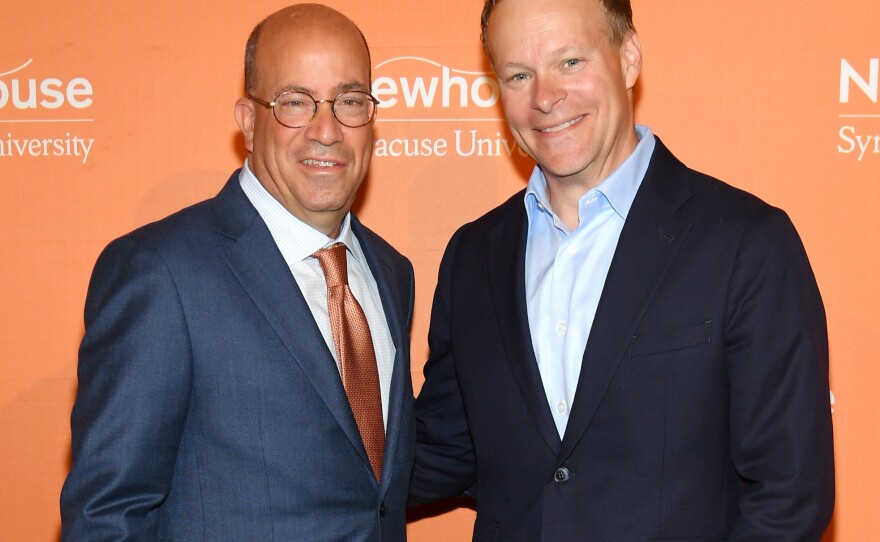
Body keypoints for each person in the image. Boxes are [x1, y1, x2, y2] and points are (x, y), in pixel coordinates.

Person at [410, 0, 834, 540]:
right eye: (519, 74)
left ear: (629, 58)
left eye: (570, 62)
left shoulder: (744, 241)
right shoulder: (473, 256)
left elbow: (790, 493)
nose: (545, 97)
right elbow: (443, 447)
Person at [61, 4, 415, 541]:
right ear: (249, 122)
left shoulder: (392, 273)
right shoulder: (162, 272)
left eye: (349, 101)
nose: (327, 129)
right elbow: (108, 517)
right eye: (295, 102)